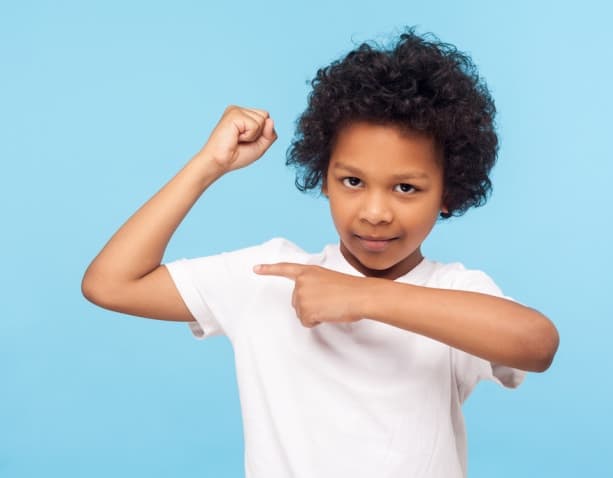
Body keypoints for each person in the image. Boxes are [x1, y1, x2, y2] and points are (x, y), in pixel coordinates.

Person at [82, 28, 559, 478]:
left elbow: (537, 344)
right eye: (352, 181)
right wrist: (208, 166)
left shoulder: (452, 293)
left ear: (448, 193)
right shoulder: (269, 277)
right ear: (323, 177)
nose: (375, 212)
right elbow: (110, 284)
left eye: (406, 187)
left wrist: (365, 297)